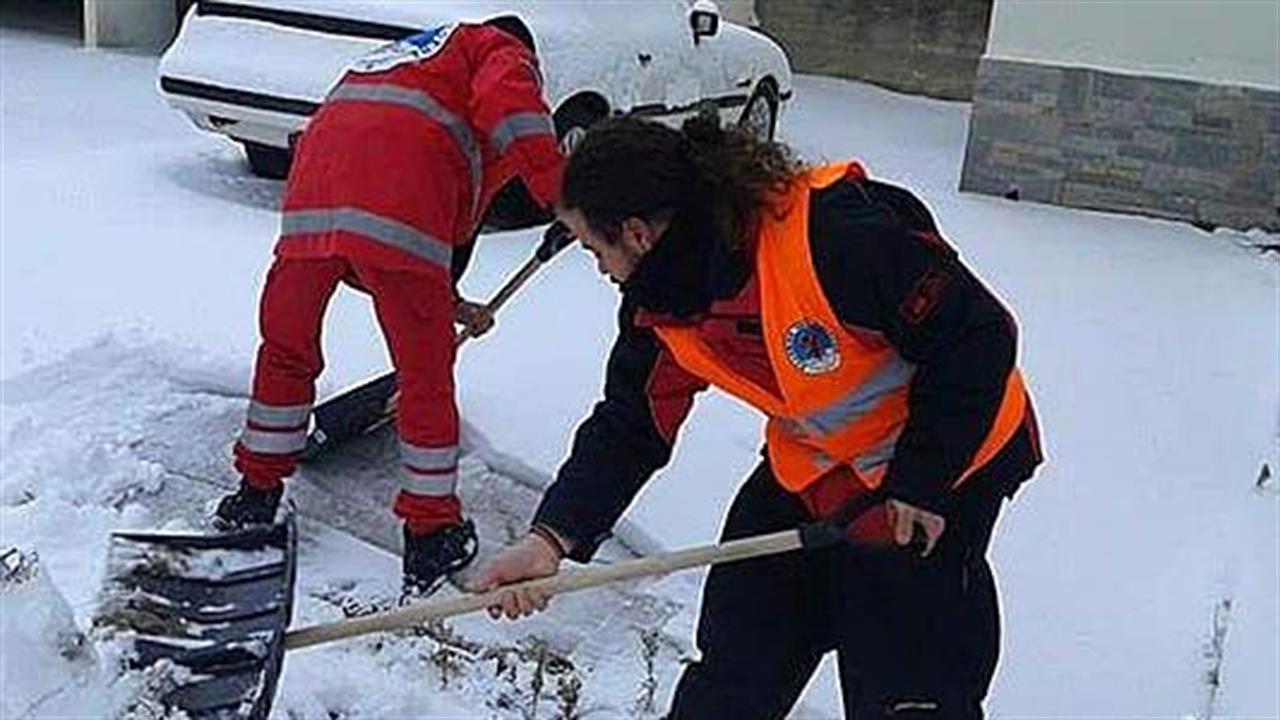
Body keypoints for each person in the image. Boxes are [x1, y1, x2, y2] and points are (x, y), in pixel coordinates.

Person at [472, 116, 1044, 718]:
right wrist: (550, 538)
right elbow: (630, 425)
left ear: (637, 233)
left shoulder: (833, 238)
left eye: (594, 247)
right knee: (741, 656)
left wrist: (920, 485)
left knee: (905, 675)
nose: (598, 266)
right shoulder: (662, 305)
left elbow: (978, 336)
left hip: (948, 459)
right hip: (812, 469)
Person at [214, 15, 565, 597]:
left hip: (311, 205)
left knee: (285, 351)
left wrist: (449, 301)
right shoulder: (495, 45)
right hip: (401, 207)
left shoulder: (403, 59)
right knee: (425, 379)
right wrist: (566, 194)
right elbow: (513, 113)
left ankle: (254, 496)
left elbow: (387, 218)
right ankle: (432, 536)